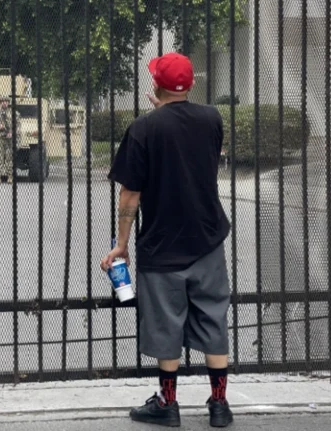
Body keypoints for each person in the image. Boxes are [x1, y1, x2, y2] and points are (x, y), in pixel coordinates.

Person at [100, 52, 233, 428]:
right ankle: (219, 405)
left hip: (162, 244)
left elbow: (130, 194)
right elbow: (188, 141)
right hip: (207, 238)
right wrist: (167, 108)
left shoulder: (144, 128)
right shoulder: (212, 119)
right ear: (189, 85)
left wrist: (122, 243)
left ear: (156, 85)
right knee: (213, 318)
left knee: (166, 323)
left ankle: (168, 403)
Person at [0, 95, 20, 183]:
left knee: (9, 158)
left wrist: (12, 133)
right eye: (2, 101)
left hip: (10, 138)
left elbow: (18, 126)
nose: (4, 103)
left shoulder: (15, 114)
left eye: (6, 101)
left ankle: (10, 177)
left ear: (8, 102)